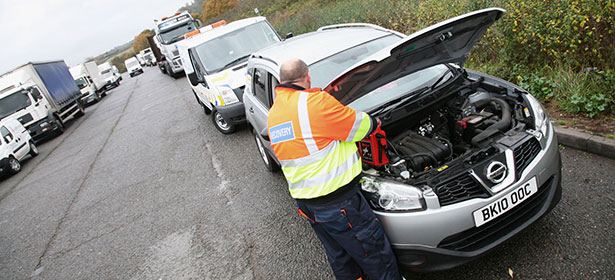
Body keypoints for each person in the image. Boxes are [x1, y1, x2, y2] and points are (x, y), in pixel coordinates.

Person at [267, 58, 402, 280]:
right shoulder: (314, 103)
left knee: (341, 257)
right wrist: (376, 121)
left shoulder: (275, 113)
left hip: (308, 204)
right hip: (340, 203)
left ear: (281, 81)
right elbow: (360, 127)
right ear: (307, 77)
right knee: (374, 253)